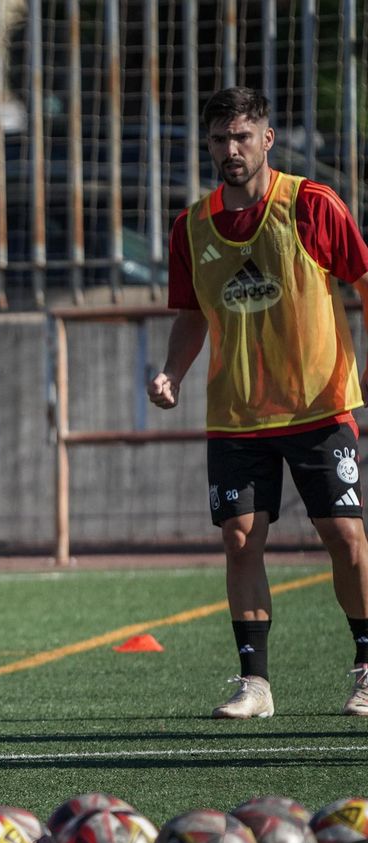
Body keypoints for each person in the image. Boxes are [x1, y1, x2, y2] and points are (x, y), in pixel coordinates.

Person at [150, 85, 368, 719]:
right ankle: (255, 684)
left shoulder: (311, 203)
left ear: (267, 139)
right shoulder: (191, 226)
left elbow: (362, 280)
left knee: (344, 536)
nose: (231, 149)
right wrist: (172, 372)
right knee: (240, 539)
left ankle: (366, 667)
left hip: (319, 405)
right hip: (236, 415)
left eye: (242, 136)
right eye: (220, 139)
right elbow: (192, 313)